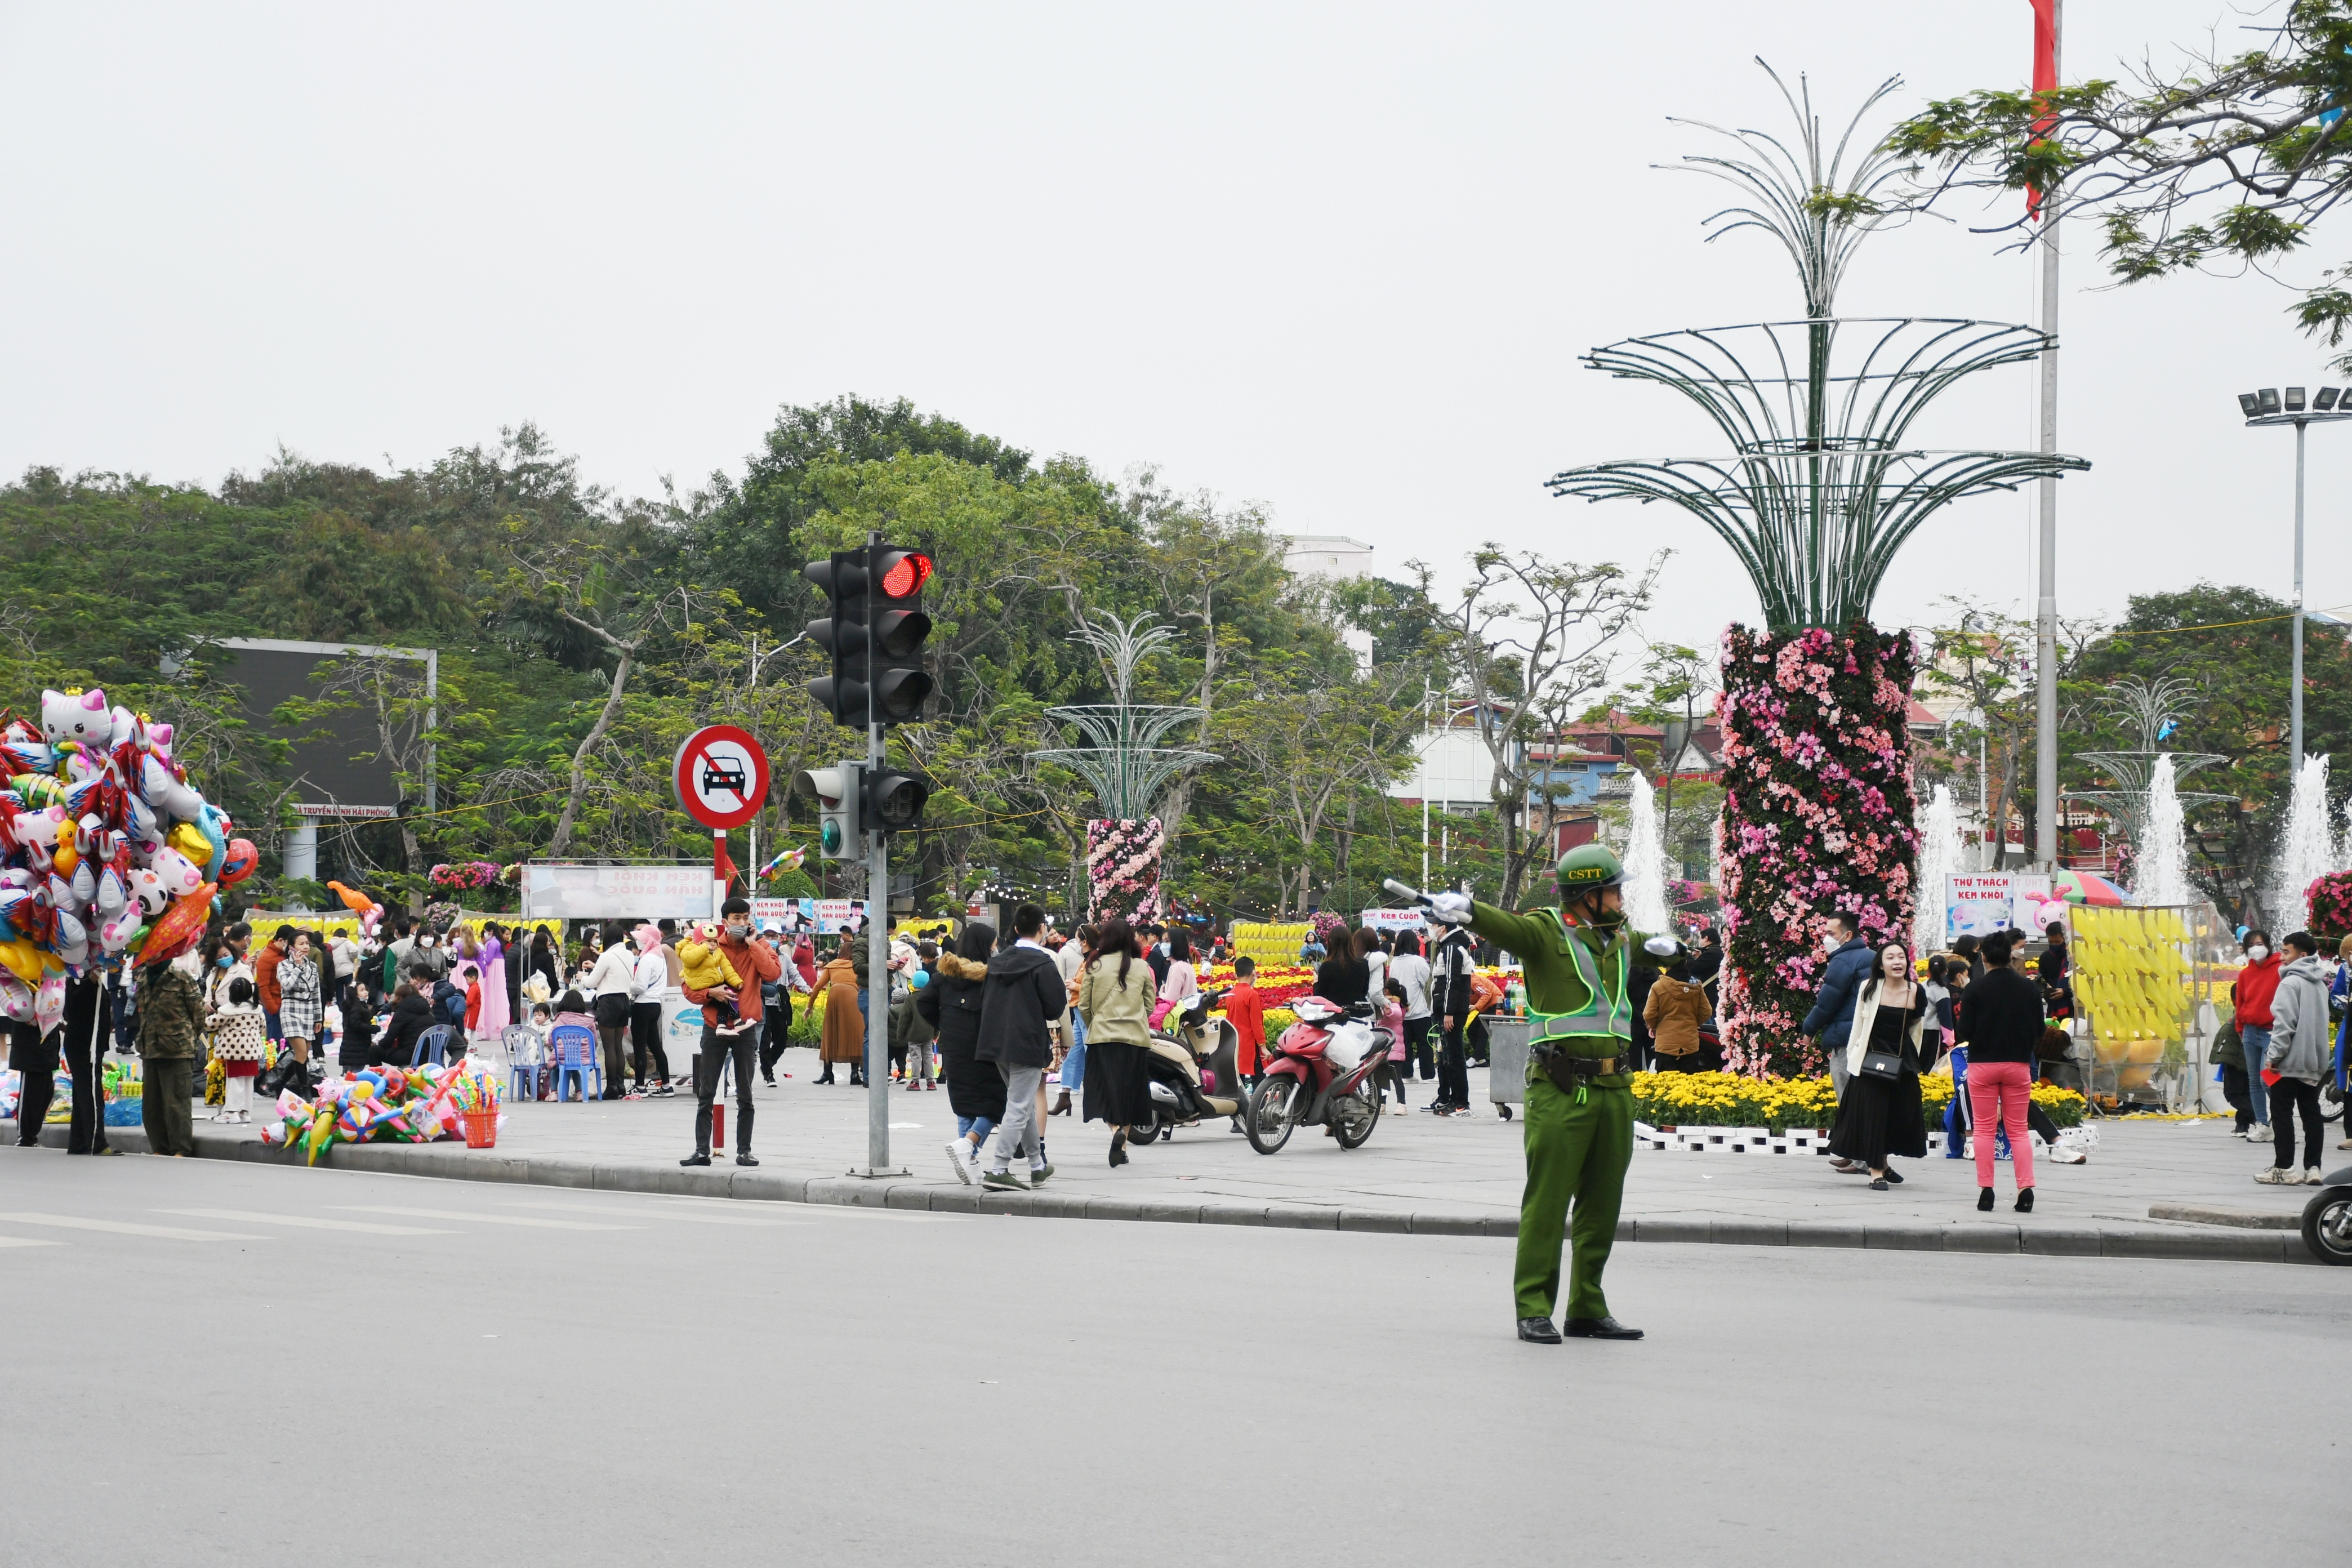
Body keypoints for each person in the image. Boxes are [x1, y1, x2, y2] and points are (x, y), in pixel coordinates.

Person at [1426, 844, 1677, 1343]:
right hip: (1563, 1089)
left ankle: (1587, 1306)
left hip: (1615, 1087)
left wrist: (1671, 946)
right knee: (1547, 1203)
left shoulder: (1620, 939)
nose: (1621, 897)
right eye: (1613, 889)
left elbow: (1652, 945)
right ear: (1587, 896)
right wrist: (1471, 911)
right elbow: (1506, 927)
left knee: (1603, 1205)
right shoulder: (1545, 932)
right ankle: (1534, 1307)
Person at [679, 899, 781, 1168]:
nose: (742, 923)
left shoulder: (759, 945)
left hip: (746, 1027)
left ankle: (744, 1151)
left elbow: (772, 973)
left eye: (746, 917)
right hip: (715, 1026)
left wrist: (753, 945)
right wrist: (710, 993)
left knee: (745, 1094)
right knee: (707, 1092)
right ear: (724, 922)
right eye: (736, 918)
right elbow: (688, 987)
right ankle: (702, 1151)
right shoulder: (708, 946)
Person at [973, 903, 1066, 1190]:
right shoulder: (1044, 964)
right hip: (1025, 1041)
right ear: (1042, 930)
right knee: (1019, 1104)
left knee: (1020, 1101)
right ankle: (999, 1168)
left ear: (1014, 930)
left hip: (994, 1040)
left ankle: (1037, 1165)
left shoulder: (998, 962)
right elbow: (1055, 1007)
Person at [1824, 942, 1928, 1191]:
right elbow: (1858, 1027)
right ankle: (1876, 1172)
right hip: (1870, 1060)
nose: (1897, 962)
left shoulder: (1916, 991)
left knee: (1897, 1114)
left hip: (1901, 1062)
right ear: (1880, 964)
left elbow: (1916, 1028)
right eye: (1890, 957)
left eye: (1901, 957)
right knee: (1873, 1115)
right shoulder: (1868, 988)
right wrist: (1853, 1058)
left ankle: (1884, 1162)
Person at [1955, 929, 2043, 1211]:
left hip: (1982, 1064)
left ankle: (1986, 1190)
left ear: (1983, 957)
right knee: (2018, 1130)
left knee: (1983, 1129)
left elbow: (1964, 1031)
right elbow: (2040, 1029)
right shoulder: (2028, 988)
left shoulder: (1975, 989)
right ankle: (2025, 1188)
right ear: (2010, 955)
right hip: (2018, 1065)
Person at [921, 923, 1001, 1180]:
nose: (996, 948)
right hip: (985, 1045)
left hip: (954, 1046)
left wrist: (942, 1025)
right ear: (984, 946)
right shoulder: (991, 976)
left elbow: (924, 1002)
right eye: (993, 944)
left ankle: (970, 1161)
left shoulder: (944, 974)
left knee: (964, 1103)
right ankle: (969, 1146)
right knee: (1000, 1099)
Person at [1078, 915, 1156, 1166]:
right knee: (1130, 1093)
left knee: (1105, 1092)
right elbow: (1150, 1006)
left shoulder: (1095, 965)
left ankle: (1115, 1134)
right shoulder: (1141, 967)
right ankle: (1122, 1149)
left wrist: (1095, 1025)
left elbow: (1084, 1006)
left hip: (1102, 1039)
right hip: (1135, 1040)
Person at [2257, 930, 2332, 1184]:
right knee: (2312, 1113)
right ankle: (2314, 1167)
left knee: (2281, 1112)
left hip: (2289, 1062)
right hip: (2314, 1061)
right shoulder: (2320, 985)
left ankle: (2284, 1168)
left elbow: (2284, 1025)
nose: (2282, 957)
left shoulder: (2290, 983)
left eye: (2287, 952)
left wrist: (2273, 1056)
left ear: (2303, 955)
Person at [1801, 914, 1877, 1113]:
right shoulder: (1875, 957)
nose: (1826, 938)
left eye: (1831, 933)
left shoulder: (1843, 961)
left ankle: (1853, 1143)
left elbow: (1827, 1003)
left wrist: (1809, 1029)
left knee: (1849, 1103)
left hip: (1847, 1041)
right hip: (1874, 1040)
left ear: (1848, 935)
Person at [137, 948, 206, 1156]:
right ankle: (159, 1147)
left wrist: (184, 1037)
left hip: (177, 1050)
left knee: (177, 1104)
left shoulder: (180, 977)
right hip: (150, 1048)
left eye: (153, 950)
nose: (148, 955)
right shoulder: (143, 978)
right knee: (151, 1106)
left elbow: (199, 1013)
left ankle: (181, 1149)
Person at [204, 944, 266, 1124]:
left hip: (233, 1052)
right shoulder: (257, 1010)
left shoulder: (227, 1010)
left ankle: (230, 1112)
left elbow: (210, 1024)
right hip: (253, 1052)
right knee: (247, 1083)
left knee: (234, 1082)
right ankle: (245, 1112)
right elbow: (262, 1026)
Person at [2233, 928, 2280, 1142]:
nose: (2257, 948)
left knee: (2267, 1080)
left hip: (2272, 1032)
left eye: (2261, 944)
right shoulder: (2245, 974)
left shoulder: (2280, 970)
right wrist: (2241, 1029)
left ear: (2269, 946)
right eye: (2252, 944)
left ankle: (2282, 1120)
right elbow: (2240, 1003)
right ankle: (2263, 1124)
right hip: (2250, 1032)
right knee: (2254, 1080)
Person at [1430, 923, 1476, 1114]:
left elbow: (1452, 982)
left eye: (1433, 925)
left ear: (1442, 927)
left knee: (1454, 1056)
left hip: (1451, 1012)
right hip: (1447, 1011)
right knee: (1448, 1056)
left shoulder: (1451, 949)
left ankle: (1460, 1103)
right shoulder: (1451, 947)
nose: (1431, 928)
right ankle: (1453, 1100)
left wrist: (1448, 1012)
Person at [587, 923, 636, 1101]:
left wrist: (582, 978)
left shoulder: (606, 956)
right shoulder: (629, 955)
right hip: (624, 1000)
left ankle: (611, 1087)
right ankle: (621, 1085)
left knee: (609, 1048)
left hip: (608, 1002)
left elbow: (592, 982)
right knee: (618, 1046)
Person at [1641, 955, 1713, 1071]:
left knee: (1666, 1085)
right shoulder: (1696, 986)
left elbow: (1649, 1014)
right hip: (1690, 1043)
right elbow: (1707, 1011)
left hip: (1666, 1044)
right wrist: (1693, 1023)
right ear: (1685, 962)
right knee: (1688, 1085)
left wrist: (1656, 1027)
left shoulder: (1658, 987)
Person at [630, 924, 676, 1097]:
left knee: (640, 1047)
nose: (638, 942)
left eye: (641, 939)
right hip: (656, 1004)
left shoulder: (648, 959)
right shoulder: (660, 957)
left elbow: (640, 986)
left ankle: (640, 1086)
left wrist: (628, 985)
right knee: (656, 1046)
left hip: (642, 1005)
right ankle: (666, 1085)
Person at [1050, 924, 1089, 1115]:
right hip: (1078, 1008)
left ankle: (1096, 1093)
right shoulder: (1085, 958)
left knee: (1090, 1052)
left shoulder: (1095, 960)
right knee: (1074, 1053)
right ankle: (1064, 1095)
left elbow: (1095, 988)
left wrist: (1075, 986)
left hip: (1086, 1009)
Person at [815, 943, 862, 1085]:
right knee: (855, 1034)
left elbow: (818, 986)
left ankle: (827, 1073)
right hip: (853, 996)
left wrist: (810, 1006)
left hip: (834, 996)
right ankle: (854, 1074)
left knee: (831, 1033)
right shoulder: (857, 966)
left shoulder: (832, 965)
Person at [1390, 929, 1433, 1083]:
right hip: (1420, 1010)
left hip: (1401, 1010)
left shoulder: (1394, 962)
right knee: (1425, 1044)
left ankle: (1407, 1074)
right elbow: (1426, 982)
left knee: (1404, 1044)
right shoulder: (1419, 961)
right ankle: (1428, 1075)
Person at [277, 931, 323, 1073]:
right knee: (301, 1052)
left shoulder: (313, 966)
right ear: (292, 947)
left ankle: (279, 1084)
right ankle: (305, 1090)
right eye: (301, 944)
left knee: (303, 1055)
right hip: (290, 1009)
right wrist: (297, 967)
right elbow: (287, 985)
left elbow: (316, 993)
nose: (305, 947)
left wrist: (319, 1018)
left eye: (307, 943)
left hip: (308, 1010)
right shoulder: (283, 965)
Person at [1223, 954, 1268, 1085]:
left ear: (1236, 975)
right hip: (1250, 1045)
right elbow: (1257, 1023)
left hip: (1235, 1043)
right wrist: (1263, 1047)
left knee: (1240, 1080)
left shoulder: (1231, 994)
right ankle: (1259, 1106)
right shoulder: (1252, 995)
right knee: (1259, 1080)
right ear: (1253, 972)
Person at [1313, 927, 1374, 1007]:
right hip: (1359, 1013)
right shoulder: (1363, 964)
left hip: (1336, 1013)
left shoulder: (1327, 966)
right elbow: (1364, 991)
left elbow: (1320, 995)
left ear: (1331, 942)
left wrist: (1315, 983)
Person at [1153, 928, 1200, 1031]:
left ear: (1177, 943)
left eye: (1167, 941)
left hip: (1178, 1023)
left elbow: (1170, 1000)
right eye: (1162, 942)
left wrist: (1161, 994)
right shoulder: (1186, 965)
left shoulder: (1177, 968)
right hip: (1188, 1021)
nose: (1163, 945)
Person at [255, 925, 292, 1048]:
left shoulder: (286, 955)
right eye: (289, 943)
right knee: (274, 1047)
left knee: (288, 1047)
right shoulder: (266, 958)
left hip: (288, 1007)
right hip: (275, 1009)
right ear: (281, 940)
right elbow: (262, 987)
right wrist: (273, 1009)